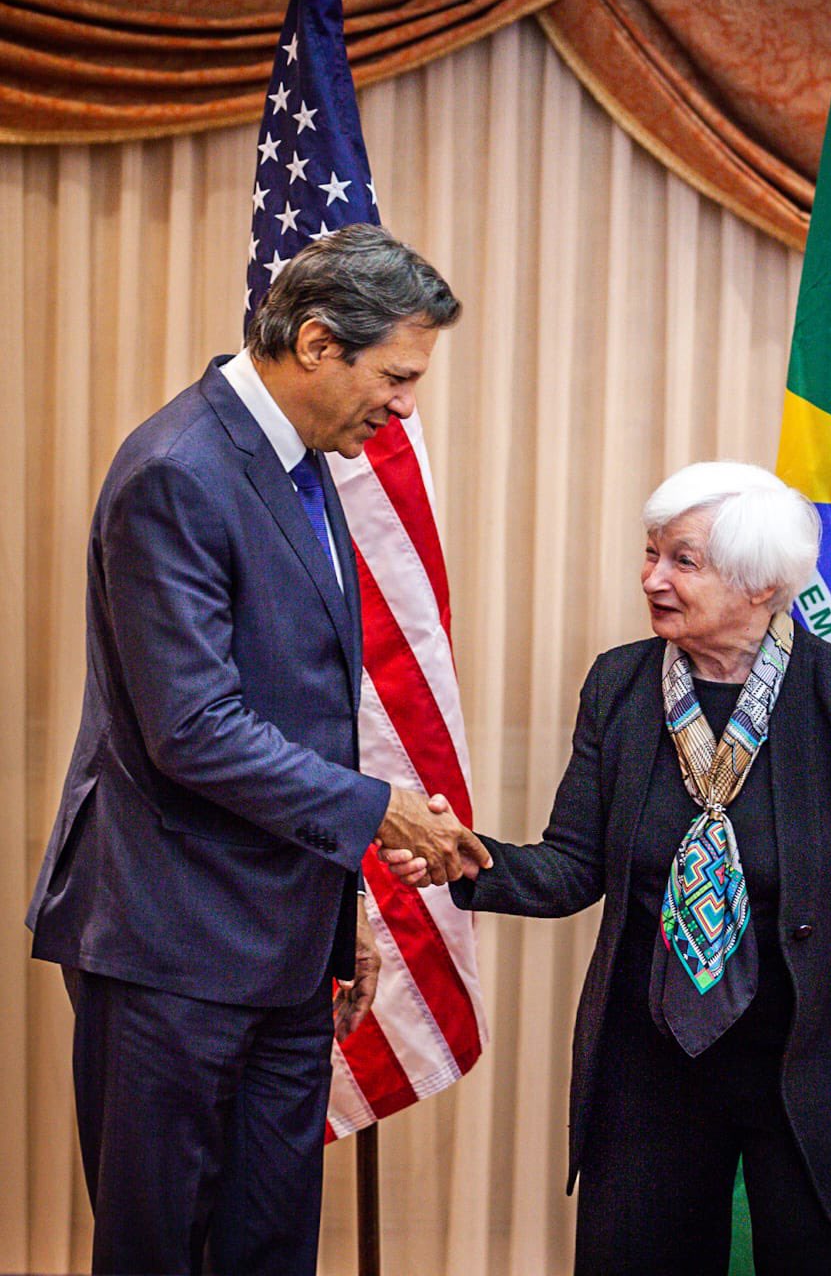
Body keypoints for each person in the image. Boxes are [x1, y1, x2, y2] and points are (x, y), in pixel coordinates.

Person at [25, 223, 489, 1276]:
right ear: (318, 342)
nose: (404, 407)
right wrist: (381, 811)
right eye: (396, 377)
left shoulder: (305, 467)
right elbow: (193, 729)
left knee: (271, 1244)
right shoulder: (177, 470)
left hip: (283, 944)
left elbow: (307, 709)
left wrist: (343, 907)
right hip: (169, 942)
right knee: (161, 1248)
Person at [380, 461, 831, 1275]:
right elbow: (572, 865)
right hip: (651, 1065)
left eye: (682, 561)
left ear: (760, 584)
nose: (652, 578)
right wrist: (464, 860)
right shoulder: (620, 687)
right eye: (652, 554)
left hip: (811, 1058)